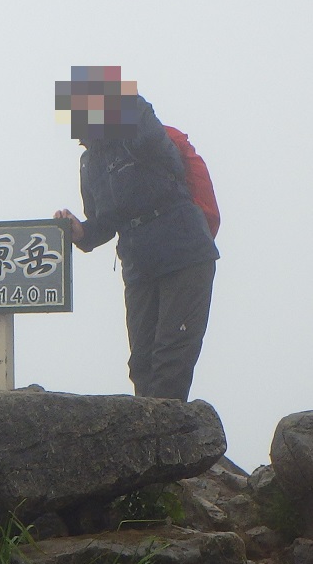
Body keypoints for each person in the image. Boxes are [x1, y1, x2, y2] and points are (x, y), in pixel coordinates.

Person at [54, 67, 218, 401]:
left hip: (184, 254)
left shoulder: (141, 137)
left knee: (170, 359)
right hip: (139, 265)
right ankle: (151, 443)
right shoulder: (90, 163)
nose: (75, 132)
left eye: (77, 115)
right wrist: (79, 232)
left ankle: (165, 447)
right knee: (141, 363)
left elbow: (140, 110)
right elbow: (102, 223)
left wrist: (101, 86)